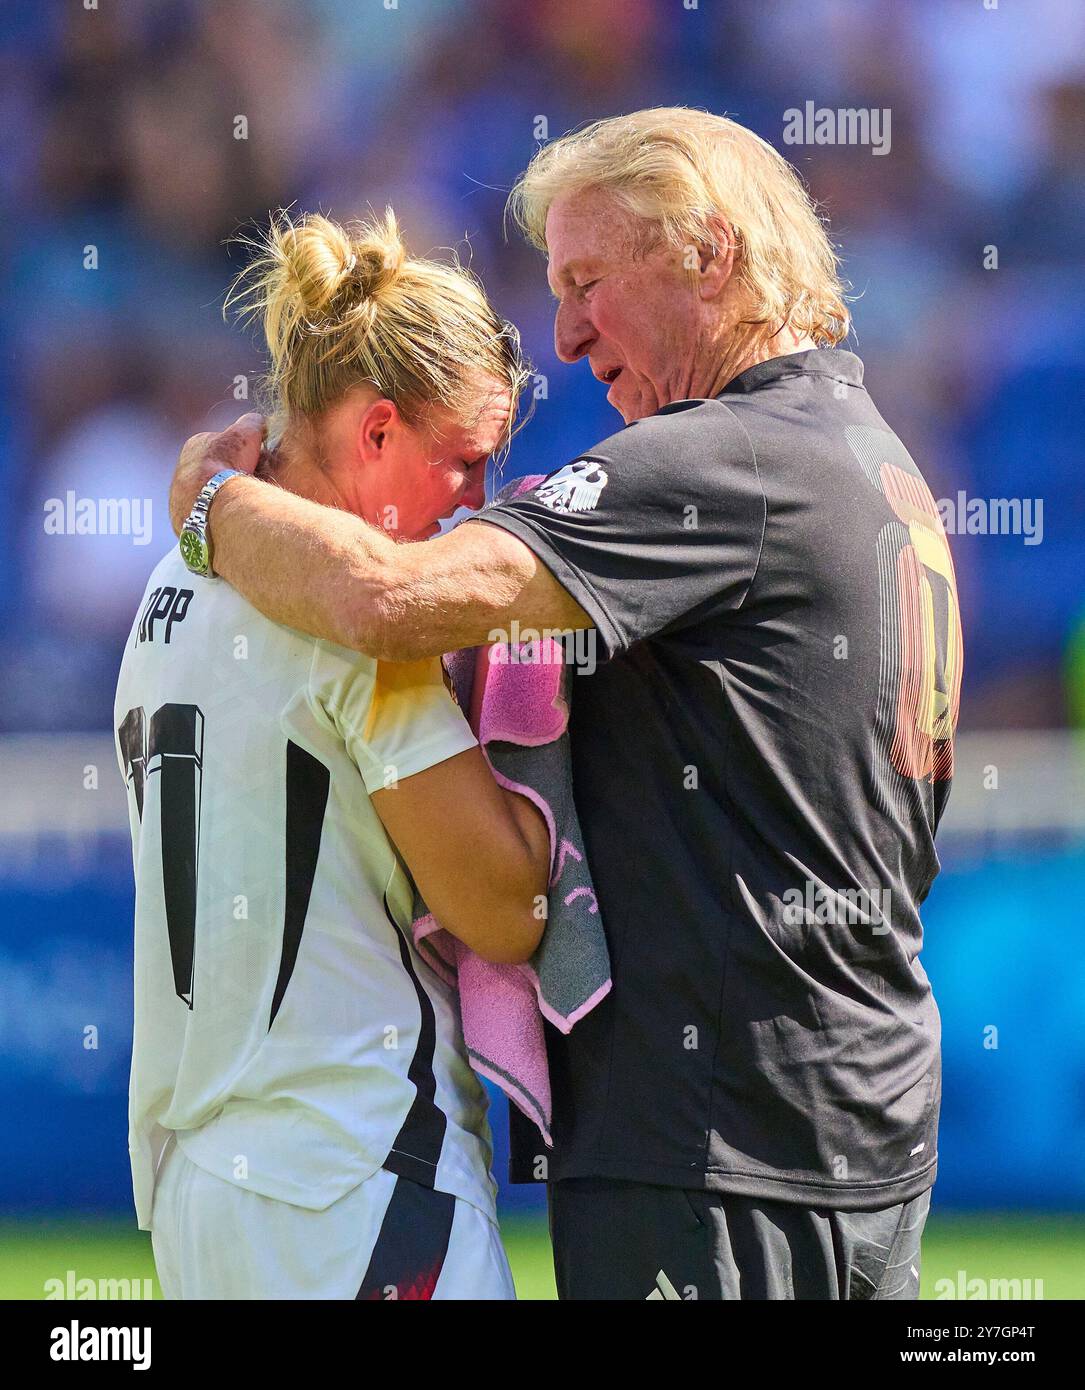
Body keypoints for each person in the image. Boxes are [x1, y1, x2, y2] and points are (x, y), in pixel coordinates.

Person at [170, 109, 963, 1301]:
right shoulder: (863, 450)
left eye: (589, 280)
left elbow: (394, 598)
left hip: (717, 1147)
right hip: (850, 1126)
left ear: (708, 252)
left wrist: (208, 505)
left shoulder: (723, 461)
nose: (567, 329)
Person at [116, 209, 550, 1300]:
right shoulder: (356, 624)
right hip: (353, 1177)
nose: (478, 505)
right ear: (375, 433)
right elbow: (505, 910)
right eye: (462, 462)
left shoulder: (167, 586)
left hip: (196, 1193)